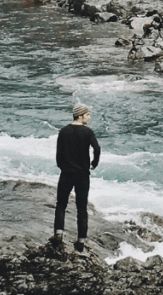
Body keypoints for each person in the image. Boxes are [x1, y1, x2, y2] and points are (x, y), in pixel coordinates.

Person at [52, 102, 100, 253]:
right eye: (87, 115)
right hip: (82, 175)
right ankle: (81, 242)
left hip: (66, 173)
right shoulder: (87, 132)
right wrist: (94, 164)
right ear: (80, 116)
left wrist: (62, 166)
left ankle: (58, 234)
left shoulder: (64, 131)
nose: (89, 118)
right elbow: (97, 149)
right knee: (81, 208)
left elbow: (59, 154)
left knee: (61, 204)